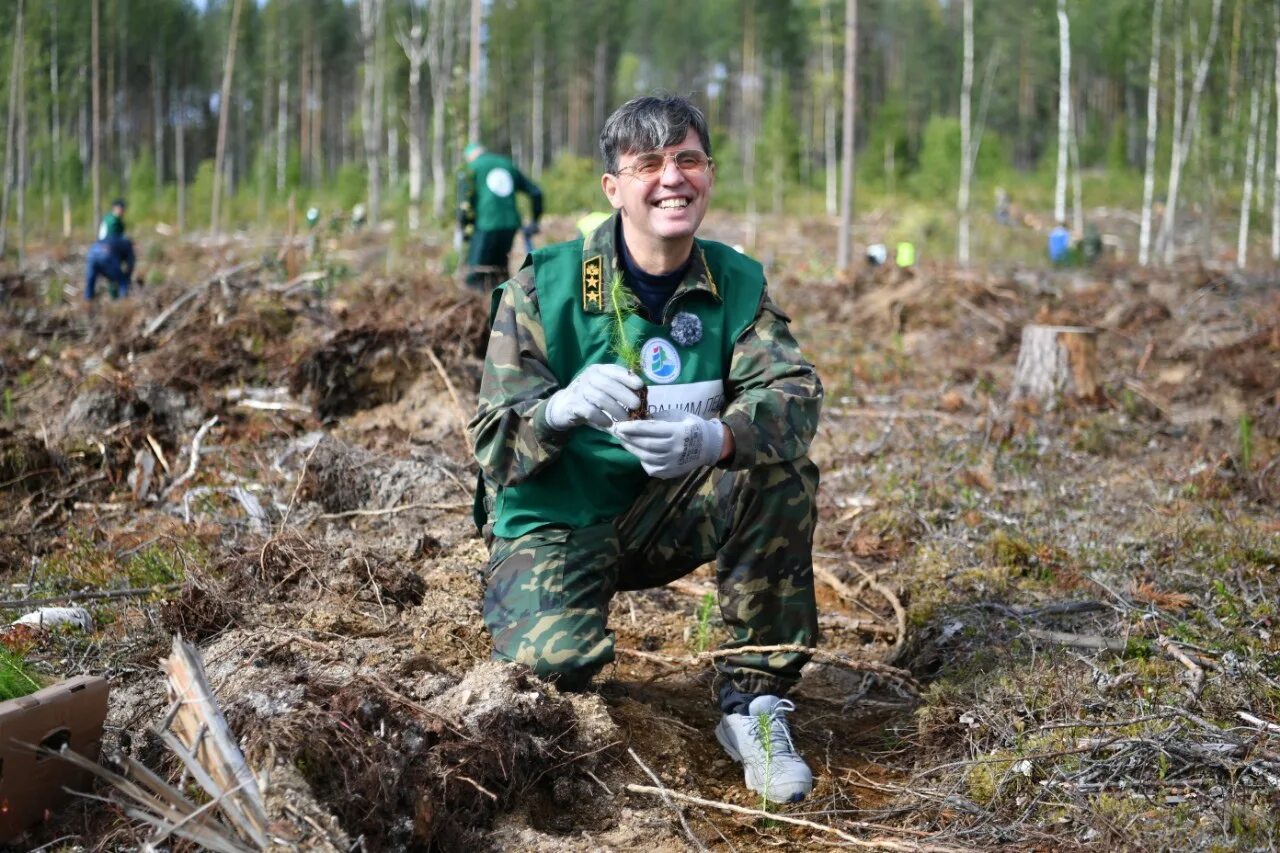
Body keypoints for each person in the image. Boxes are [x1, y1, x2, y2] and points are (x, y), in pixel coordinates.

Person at [469, 95, 823, 804]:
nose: (672, 179)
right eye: (649, 164)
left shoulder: (735, 282)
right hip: (557, 521)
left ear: (710, 174)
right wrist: (558, 410)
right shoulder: (549, 285)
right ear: (614, 187)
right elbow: (495, 449)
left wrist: (716, 436)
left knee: (777, 469)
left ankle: (752, 703)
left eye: (688, 160)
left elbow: (794, 393)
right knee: (554, 668)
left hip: (667, 512)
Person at [457, 142, 544, 292]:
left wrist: (465, 231)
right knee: (500, 273)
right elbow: (536, 192)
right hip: (510, 225)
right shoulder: (507, 164)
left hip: (485, 225)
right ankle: (504, 310)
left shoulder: (471, 168)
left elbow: (464, 205)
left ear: (469, 157)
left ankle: (478, 312)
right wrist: (535, 221)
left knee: (476, 274)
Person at [84, 233, 135, 301]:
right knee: (122, 281)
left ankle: (88, 300)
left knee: (91, 281)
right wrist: (127, 277)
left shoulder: (113, 238)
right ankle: (123, 302)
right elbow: (130, 264)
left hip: (92, 252)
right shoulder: (127, 245)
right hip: (106, 254)